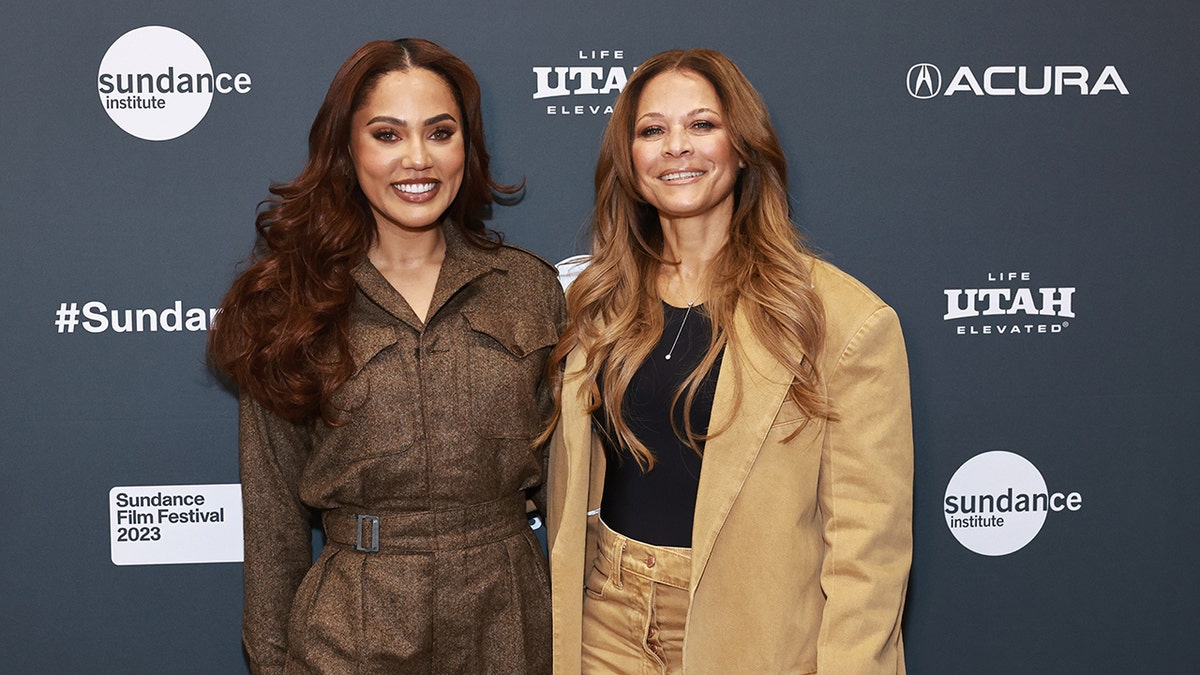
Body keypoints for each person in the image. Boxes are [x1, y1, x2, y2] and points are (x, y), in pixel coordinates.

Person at [544, 48, 912, 674]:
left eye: (703, 125)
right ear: (628, 159)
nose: (676, 147)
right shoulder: (592, 302)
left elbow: (867, 553)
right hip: (603, 618)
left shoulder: (840, 319)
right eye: (652, 130)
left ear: (743, 147)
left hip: (753, 628)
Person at [208, 38, 563, 674]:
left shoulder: (529, 288)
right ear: (348, 149)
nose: (418, 159)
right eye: (387, 134)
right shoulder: (290, 302)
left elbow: (569, 483)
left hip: (506, 626)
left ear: (466, 146)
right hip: (351, 634)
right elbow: (272, 526)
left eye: (441, 131)